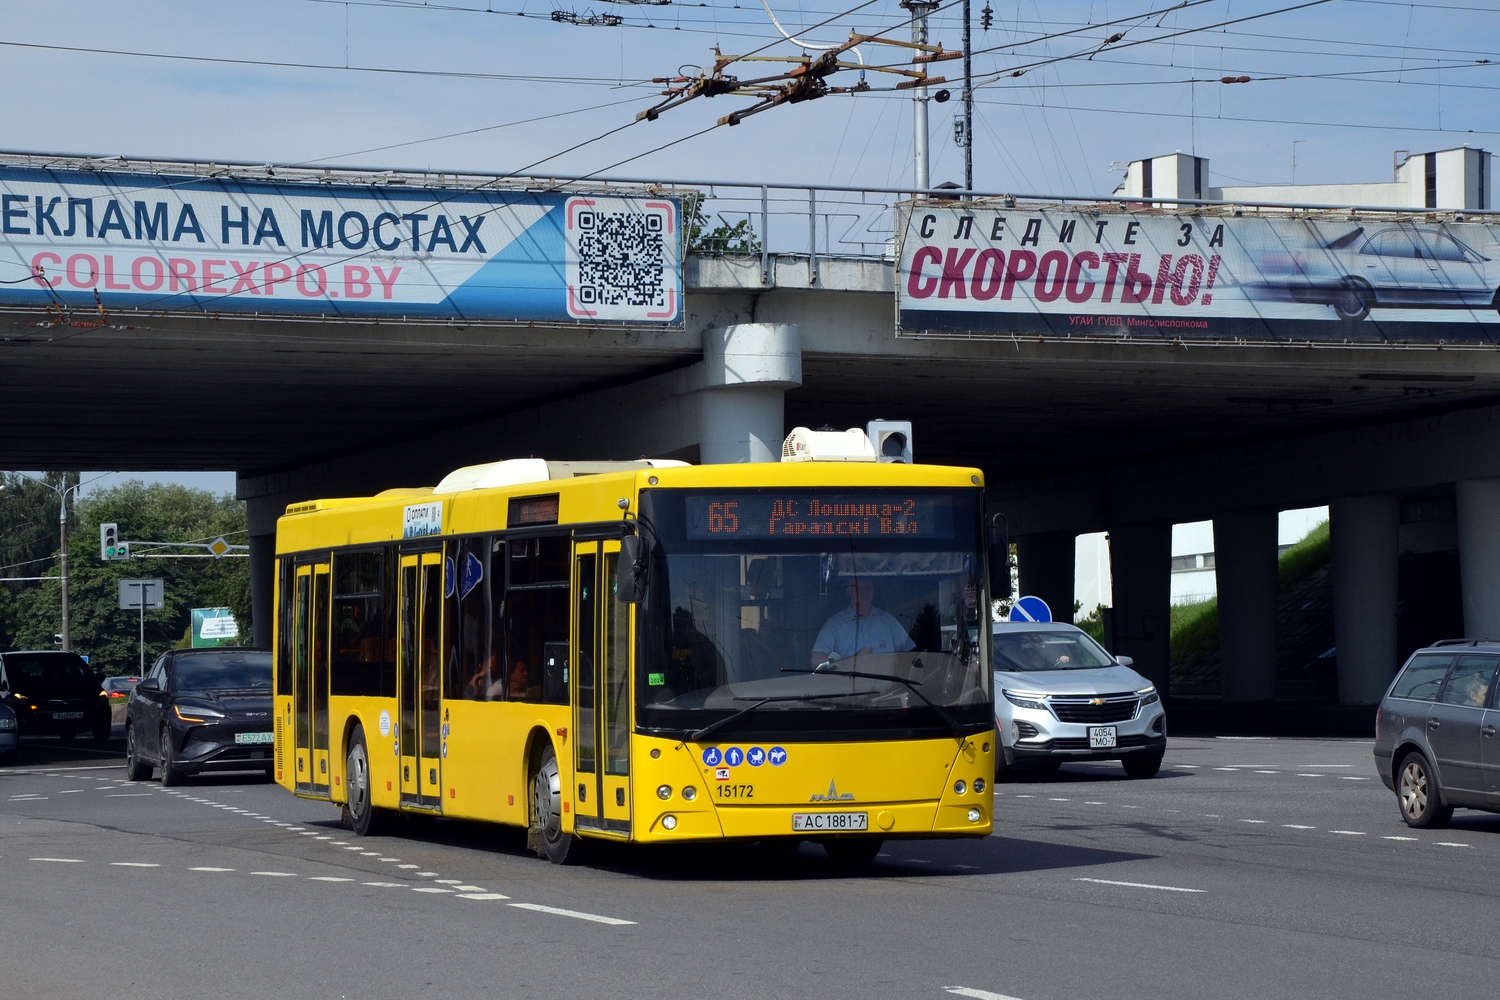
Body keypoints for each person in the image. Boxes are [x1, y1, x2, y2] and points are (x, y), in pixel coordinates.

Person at [810, 578, 914, 667]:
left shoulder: (888, 620)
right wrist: (853, 660)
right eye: (859, 588)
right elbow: (815, 660)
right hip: (847, 687)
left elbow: (911, 655)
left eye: (869, 588)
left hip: (888, 688)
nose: (865, 592)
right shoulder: (834, 624)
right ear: (849, 591)